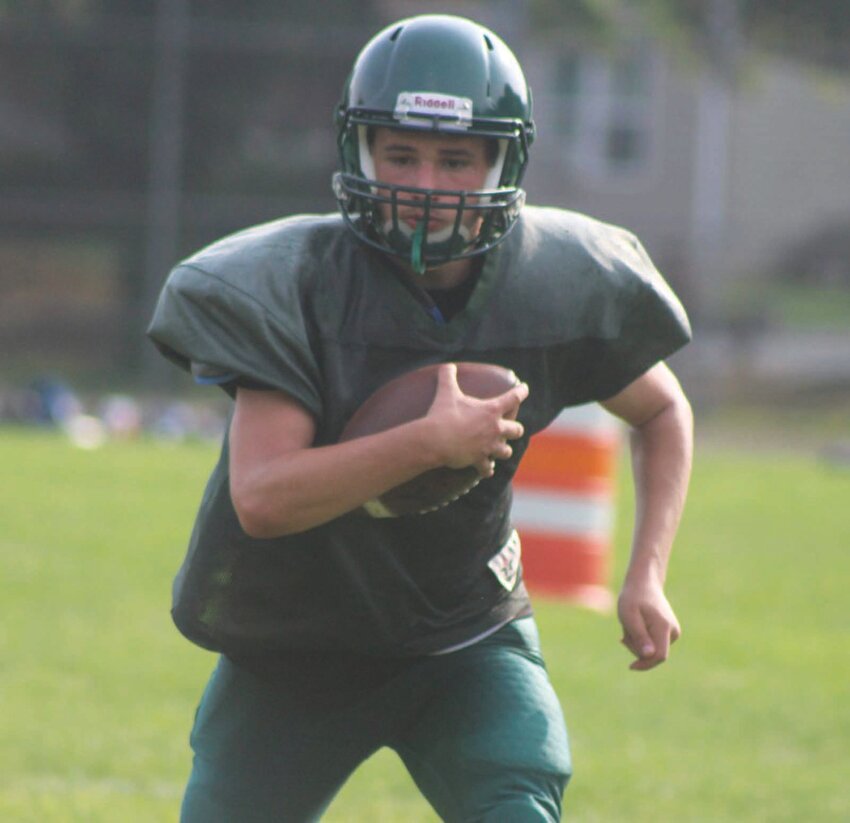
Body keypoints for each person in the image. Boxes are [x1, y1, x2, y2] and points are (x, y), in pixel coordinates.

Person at [148, 13, 693, 822]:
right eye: (401, 154)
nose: (425, 184)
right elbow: (262, 497)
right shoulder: (292, 284)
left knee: (518, 800)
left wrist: (646, 571)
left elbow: (661, 410)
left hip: (463, 633)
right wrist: (426, 443)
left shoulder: (552, 278)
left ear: (502, 161)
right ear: (360, 150)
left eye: (455, 159)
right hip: (296, 646)